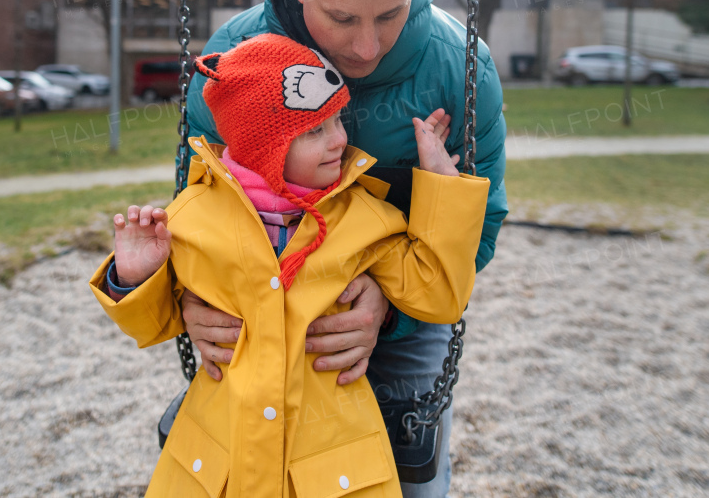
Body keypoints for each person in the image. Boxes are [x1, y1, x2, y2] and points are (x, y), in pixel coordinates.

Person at [177, 0, 510, 497]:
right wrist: (189, 298)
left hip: (403, 301)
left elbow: (481, 224)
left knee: (407, 477)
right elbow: (193, 202)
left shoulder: (458, 66)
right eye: (341, 16)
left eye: (389, 13)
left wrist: (388, 312)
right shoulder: (233, 61)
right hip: (258, 308)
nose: (365, 46)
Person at [90, 34, 491, 497]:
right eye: (314, 131)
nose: (340, 139)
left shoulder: (362, 217)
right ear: (264, 148)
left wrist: (442, 187)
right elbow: (157, 320)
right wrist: (135, 277)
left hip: (332, 464)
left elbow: (437, 293)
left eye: (337, 120)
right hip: (222, 459)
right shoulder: (193, 215)